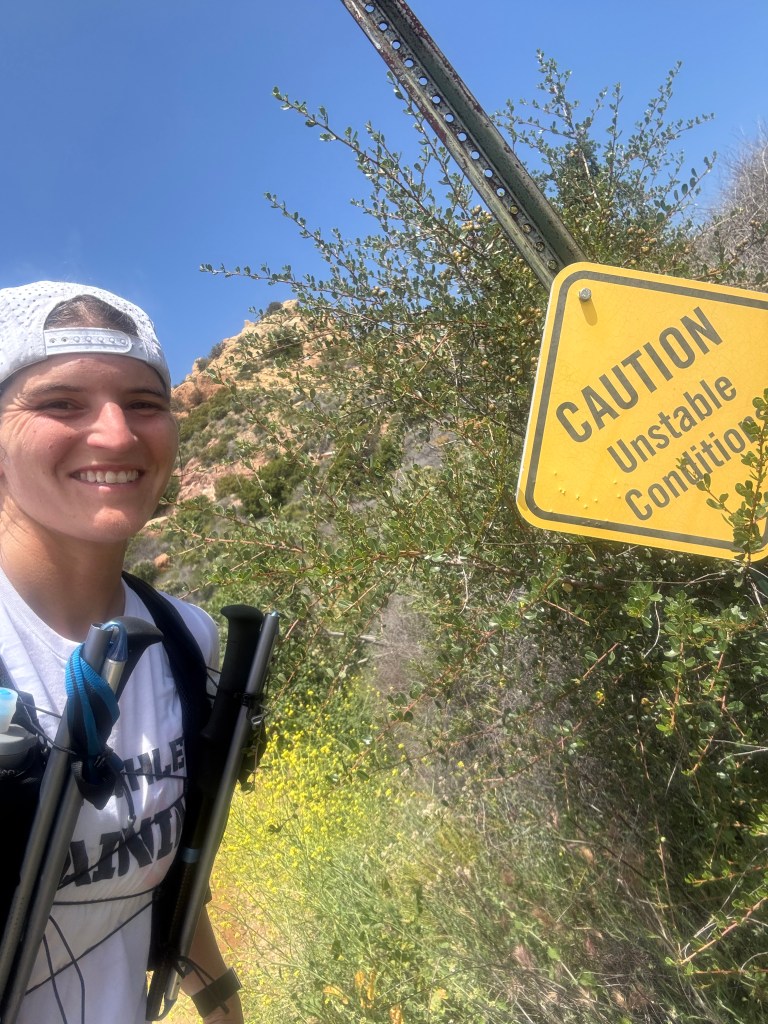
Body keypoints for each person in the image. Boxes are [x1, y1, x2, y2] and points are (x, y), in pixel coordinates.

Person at [0, 282, 243, 1024]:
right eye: (61, 403)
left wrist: (221, 1004)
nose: (116, 435)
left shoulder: (185, 639)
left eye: (143, 403)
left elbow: (158, 874)